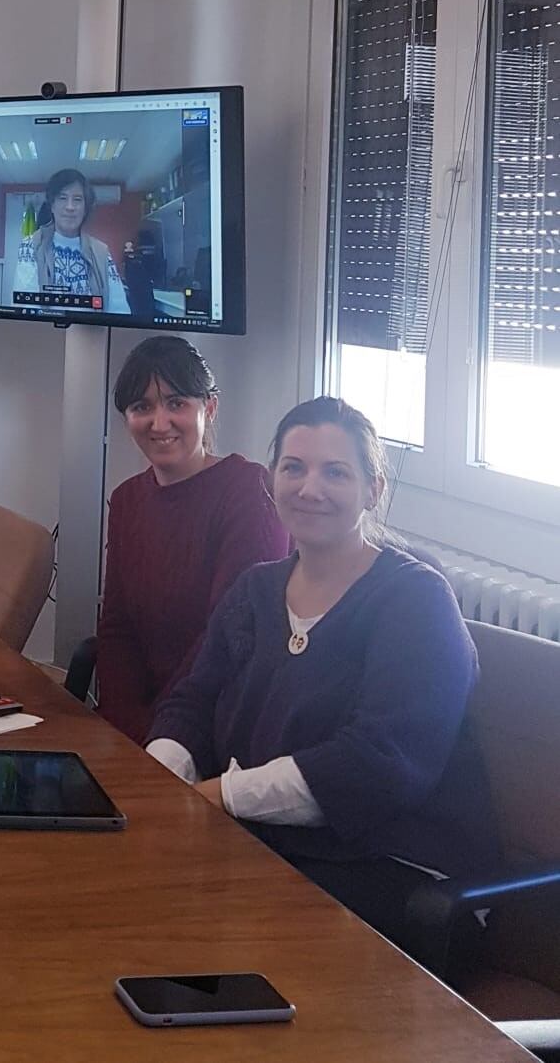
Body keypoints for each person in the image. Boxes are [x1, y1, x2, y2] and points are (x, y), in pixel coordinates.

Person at [146, 397, 496, 959]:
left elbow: (377, 765)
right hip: (275, 844)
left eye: (336, 471)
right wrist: (158, 782)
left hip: (396, 874)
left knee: (184, 933)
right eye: (294, 467)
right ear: (272, 481)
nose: (311, 488)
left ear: (373, 489)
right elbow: (192, 700)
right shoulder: (257, 590)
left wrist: (222, 794)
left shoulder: (414, 598)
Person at [96, 337, 288, 743]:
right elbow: (117, 629)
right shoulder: (128, 499)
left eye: (176, 403)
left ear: (210, 408)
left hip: (215, 722)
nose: (159, 423)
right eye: (141, 407)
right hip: (140, 731)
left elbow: (229, 639)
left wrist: (158, 733)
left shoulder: (250, 491)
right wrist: (120, 729)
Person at [32, 168, 130, 313]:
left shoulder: (101, 252)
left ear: (85, 209)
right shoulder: (31, 245)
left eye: (77, 199)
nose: (70, 207)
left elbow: (120, 310)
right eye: (62, 198)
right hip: (44, 333)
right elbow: (24, 308)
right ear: (52, 205)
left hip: (94, 333)